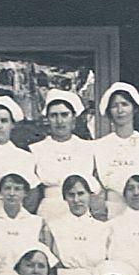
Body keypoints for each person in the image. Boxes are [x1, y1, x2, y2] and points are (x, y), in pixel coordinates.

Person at [91, 83, 139, 219]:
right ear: (109, 111)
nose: (120, 110)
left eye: (125, 104)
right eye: (115, 106)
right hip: (111, 210)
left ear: (134, 108)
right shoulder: (99, 146)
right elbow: (97, 187)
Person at [30, 89, 98, 223]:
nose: (59, 121)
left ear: (73, 118)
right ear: (48, 119)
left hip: (81, 210)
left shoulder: (89, 148)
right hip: (50, 211)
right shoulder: (36, 149)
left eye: (64, 114)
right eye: (54, 115)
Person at [46, 174, 110, 275]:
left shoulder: (103, 229)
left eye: (81, 194)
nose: (76, 200)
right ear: (64, 198)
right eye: (71, 195)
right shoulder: (53, 227)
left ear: (89, 195)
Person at [0, 171, 51, 275]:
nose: (12, 193)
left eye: (17, 189)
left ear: (25, 193)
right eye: (7, 188)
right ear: (0, 192)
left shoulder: (36, 222)